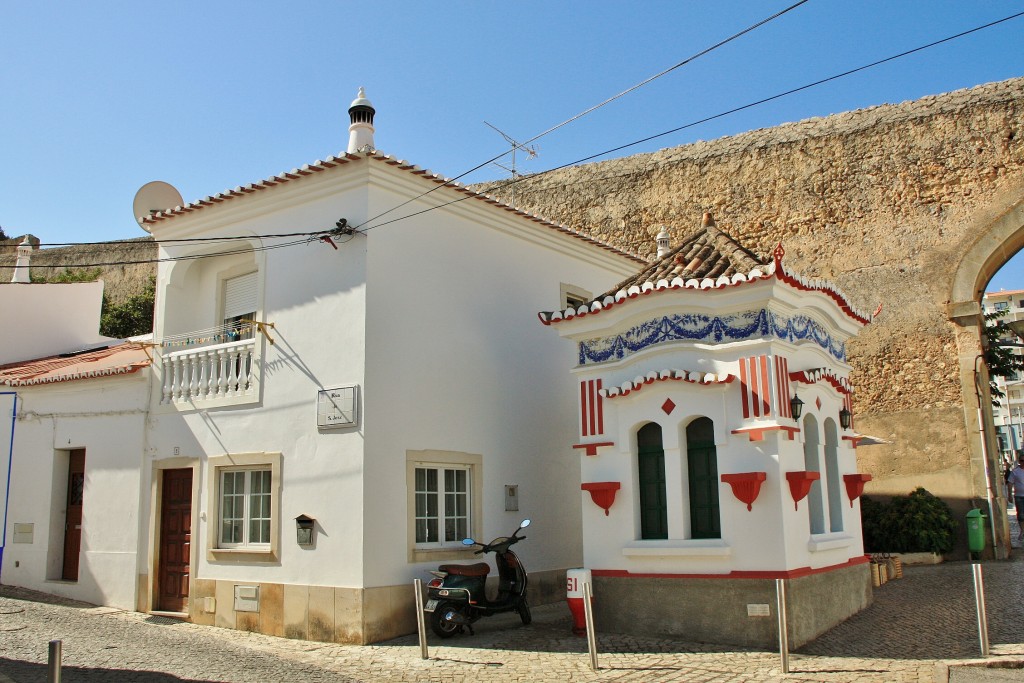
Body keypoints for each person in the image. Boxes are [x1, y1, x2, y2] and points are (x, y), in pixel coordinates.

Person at [1008, 457, 1024, 541]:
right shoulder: (1015, 472)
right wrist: (1009, 495)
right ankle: (1022, 531)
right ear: (1019, 461)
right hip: (1019, 496)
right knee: (1021, 515)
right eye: (1022, 461)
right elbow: (1010, 483)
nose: (1023, 462)